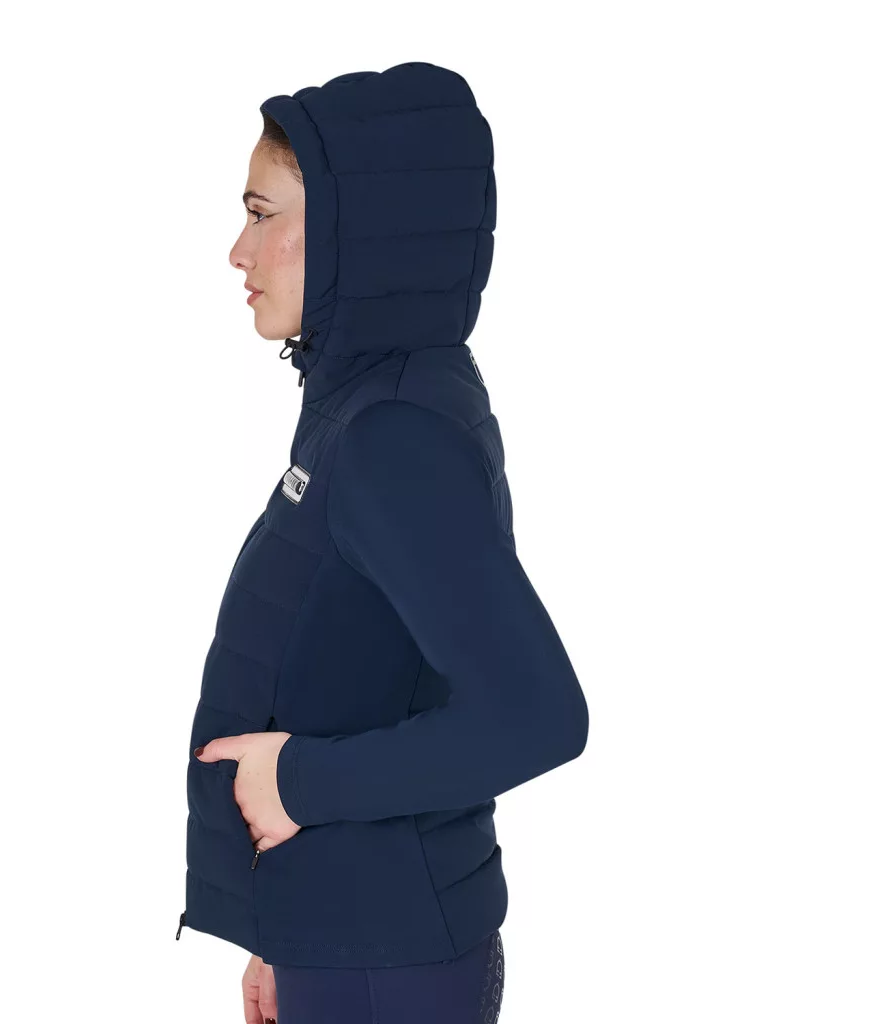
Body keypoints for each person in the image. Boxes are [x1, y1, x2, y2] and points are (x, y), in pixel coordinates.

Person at [177, 61, 589, 1024]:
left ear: (353, 233)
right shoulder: (368, 401)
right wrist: (277, 931)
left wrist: (297, 783)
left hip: (383, 966)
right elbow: (349, 667)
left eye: (262, 214)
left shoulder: (393, 435)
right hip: (346, 944)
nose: (238, 251)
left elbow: (538, 715)